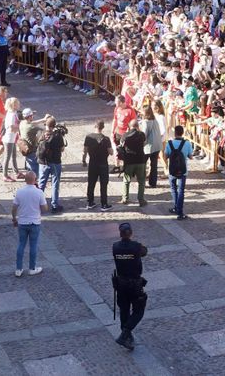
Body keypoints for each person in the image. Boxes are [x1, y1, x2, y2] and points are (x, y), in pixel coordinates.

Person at [112, 222, 148, 351]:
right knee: (139, 310)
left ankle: (126, 336)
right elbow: (145, 252)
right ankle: (125, 333)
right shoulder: (136, 247)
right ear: (131, 233)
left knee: (124, 310)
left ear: (120, 234)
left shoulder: (115, 247)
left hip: (121, 284)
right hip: (134, 284)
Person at [12, 171, 47, 277]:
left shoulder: (19, 192)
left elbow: (14, 208)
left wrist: (14, 219)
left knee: (21, 244)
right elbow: (44, 208)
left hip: (22, 222)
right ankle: (32, 268)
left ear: (25, 180)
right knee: (33, 245)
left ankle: (18, 269)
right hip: (34, 222)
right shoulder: (39, 192)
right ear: (35, 180)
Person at [36, 117, 67, 213]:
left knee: (41, 183)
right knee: (55, 184)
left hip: (43, 162)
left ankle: (37, 204)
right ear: (54, 126)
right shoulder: (58, 136)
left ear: (46, 125)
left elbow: (37, 144)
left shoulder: (41, 133)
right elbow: (62, 149)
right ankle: (54, 205)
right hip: (55, 162)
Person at [163, 125, 193, 219]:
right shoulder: (187, 143)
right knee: (181, 191)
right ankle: (180, 212)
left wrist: (167, 165)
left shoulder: (169, 143)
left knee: (173, 189)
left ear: (175, 133)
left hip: (172, 170)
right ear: (182, 133)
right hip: (183, 171)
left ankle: (176, 207)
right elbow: (190, 156)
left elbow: (165, 156)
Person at [83, 120, 113, 211]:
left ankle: (90, 202)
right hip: (103, 164)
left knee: (91, 183)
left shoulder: (88, 137)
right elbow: (110, 152)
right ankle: (104, 204)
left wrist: (84, 160)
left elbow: (84, 151)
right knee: (104, 184)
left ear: (94, 126)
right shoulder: (106, 139)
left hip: (93, 163)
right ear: (103, 128)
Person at [120, 126, 148, 207]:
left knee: (126, 180)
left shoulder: (125, 135)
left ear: (129, 127)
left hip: (129, 161)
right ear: (137, 127)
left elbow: (121, 145)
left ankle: (125, 198)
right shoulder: (141, 134)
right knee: (141, 181)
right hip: (140, 160)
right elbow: (145, 143)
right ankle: (141, 199)